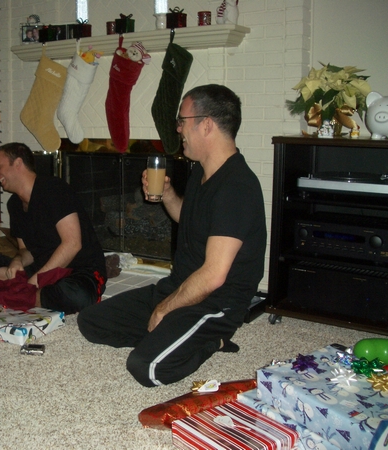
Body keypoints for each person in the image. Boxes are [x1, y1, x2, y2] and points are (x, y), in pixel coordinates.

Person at [78, 84, 266, 387]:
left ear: (206, 125)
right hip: (180, 286)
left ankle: (213, 340)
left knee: (146, 368)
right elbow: (190, 221)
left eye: (182, 121)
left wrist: (165, 308)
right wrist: (167, 195)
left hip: (216, 303)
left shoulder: (237, 187)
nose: (178, 128)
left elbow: (214, 276)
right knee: (90, 322)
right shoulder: (200, 172)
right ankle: (170, 336)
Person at [0, 142, 107, 315]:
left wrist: (35, 280)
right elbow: (25, 250)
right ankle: (30, 295)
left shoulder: (53, 189)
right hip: (41, 268)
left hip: (78, 270)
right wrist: (18, 261)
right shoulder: (14, 204)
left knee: (77, 296)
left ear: (18, 163)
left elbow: (72, 244)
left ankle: (20, 293)